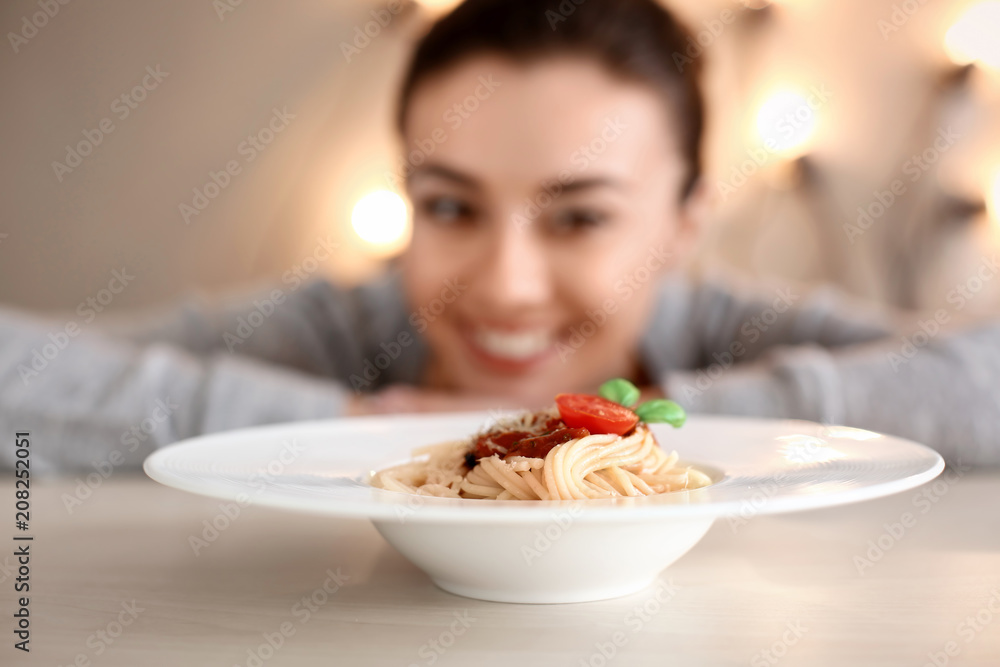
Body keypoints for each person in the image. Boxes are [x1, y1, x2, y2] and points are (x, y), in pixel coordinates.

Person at [1, 0, 998, 472]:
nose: (506, 285)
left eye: (578, 217)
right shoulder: (356, 330)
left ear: (685, 222)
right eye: (448, 205)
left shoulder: (723, 330)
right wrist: (355, 434)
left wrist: (606, 425)